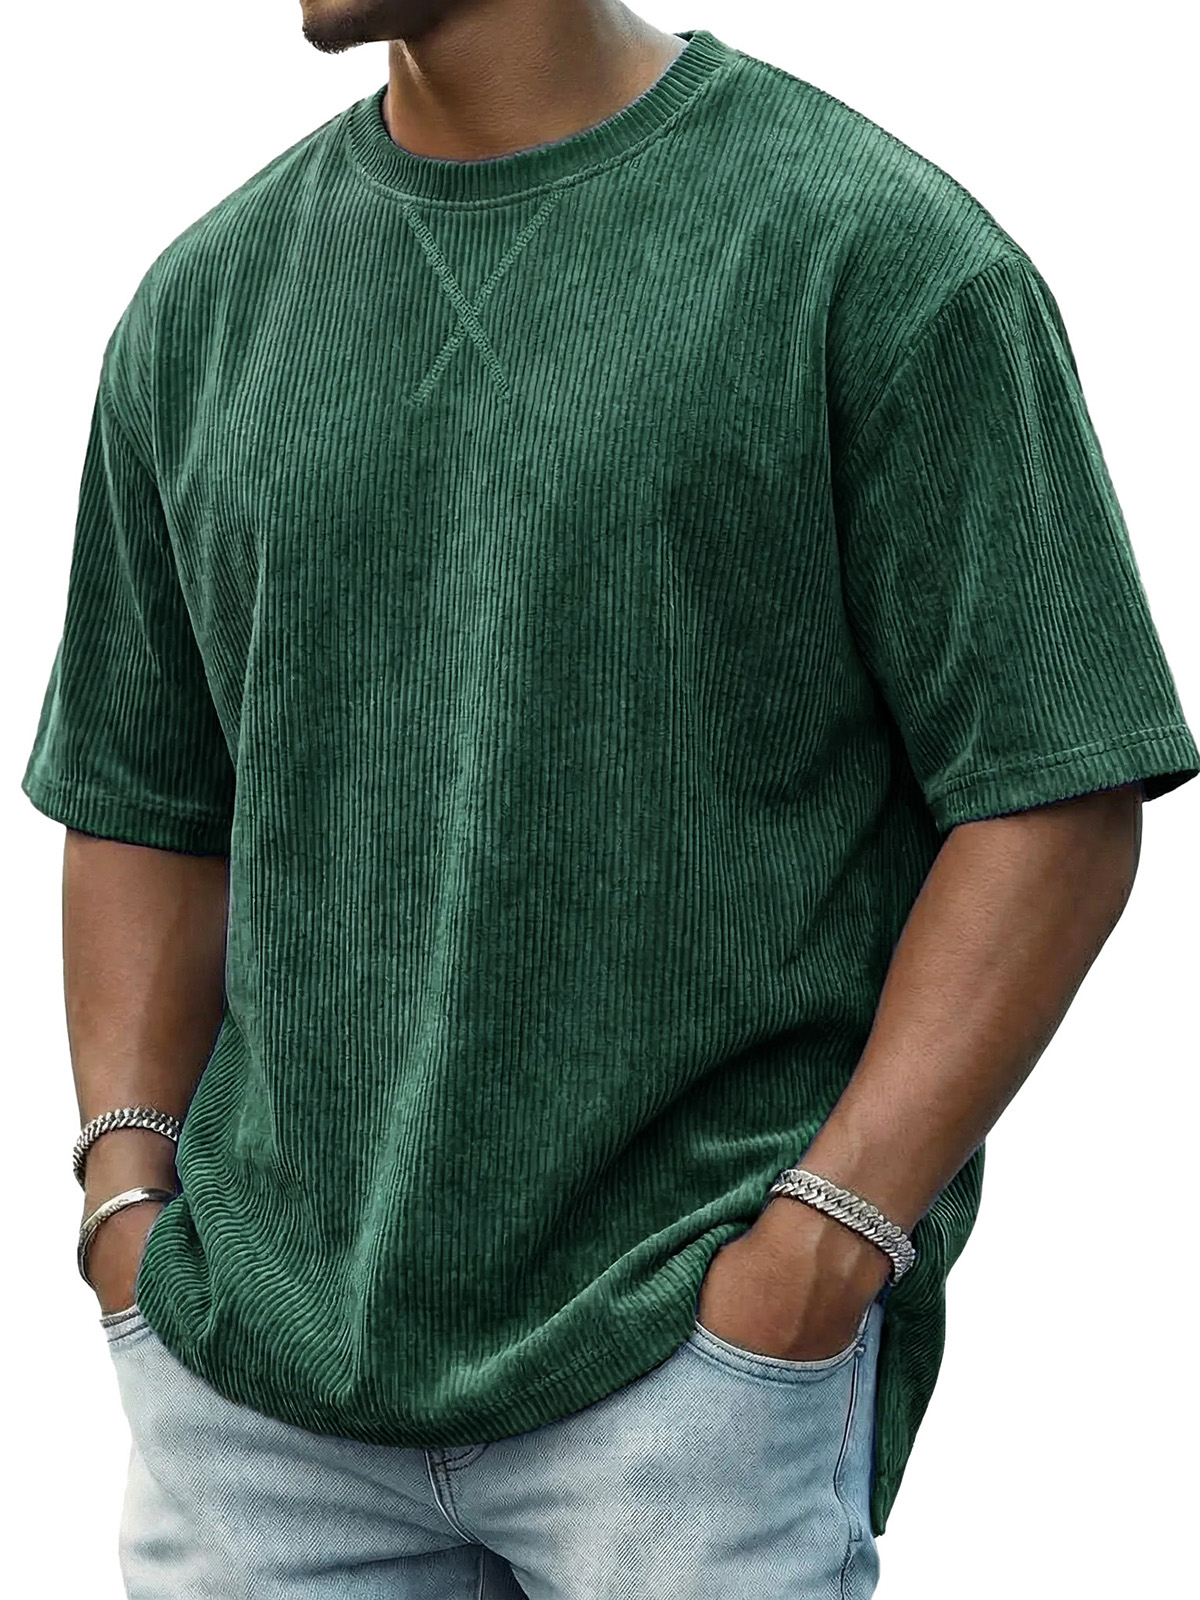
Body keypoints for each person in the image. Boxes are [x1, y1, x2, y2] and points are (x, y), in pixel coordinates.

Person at [21, 3, 1199, 1595]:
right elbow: (144, 797)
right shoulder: (206, 306)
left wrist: (824, 1242)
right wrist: (124, 1200)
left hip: (682, 1384)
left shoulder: (873, 255)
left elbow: (1055, 792)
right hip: (255, 1404)